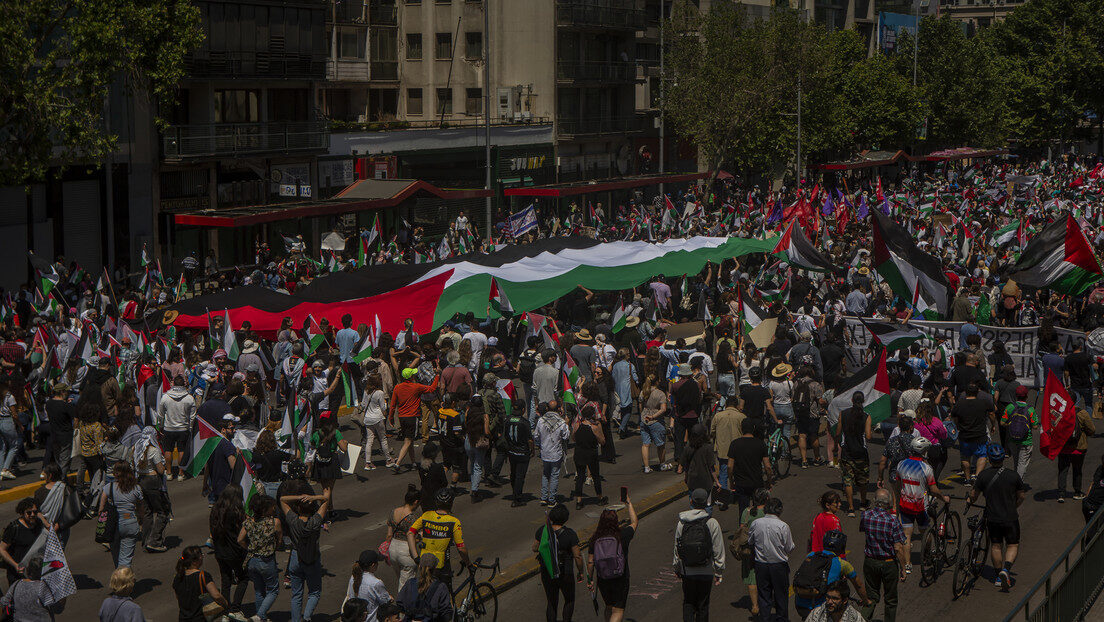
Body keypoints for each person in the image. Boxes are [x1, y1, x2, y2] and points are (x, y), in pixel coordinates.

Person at [970, 444, 1027, 590]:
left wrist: (969, 500)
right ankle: (1006, 570)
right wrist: (1014, 506)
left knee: (996, 546)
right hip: (1010, 517)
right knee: (1012, 545)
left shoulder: (983, 476)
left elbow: (974, 496)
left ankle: (997, 576)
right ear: (1003, 459)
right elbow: (1021, 496)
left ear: (989, 459)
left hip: (992, 517)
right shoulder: (1013, 476)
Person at [895, 437, 950, 572]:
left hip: (905, 505)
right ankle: (926, 554)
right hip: (920, 507)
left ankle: (907, 565)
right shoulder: (926, 468)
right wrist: (943, 498)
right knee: (926, 532)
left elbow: (898, 484)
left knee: (907, 535)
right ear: (924, 452)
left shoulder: (901, 464)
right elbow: (933, 489)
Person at [672, 488, 725, 622]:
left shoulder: (682, 523)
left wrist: (677, 568)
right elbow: (718, 549)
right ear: (707, 502)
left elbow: (677, 549)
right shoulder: (711, 523)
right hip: (706, 570)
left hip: (687, 571)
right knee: (703, 605)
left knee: (688, 603)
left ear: (691, 501)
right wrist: (719, 571)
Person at [280, 489, 330, 622]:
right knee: (314, 591)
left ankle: (295, 620)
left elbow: (282, 499)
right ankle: (307, 617)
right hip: (312, 557)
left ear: (298, 508)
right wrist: (313, 497)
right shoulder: (315, 521)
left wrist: (299, 497)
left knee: (296, 594)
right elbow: (326, 500)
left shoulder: (293, 520)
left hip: (296, 557)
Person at [793, 531, 868, 619]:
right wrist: (866, 601)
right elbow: (858, 585)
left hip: (801, 605)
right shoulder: (842, 564)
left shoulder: (811, 555)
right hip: (822, 609)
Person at [406, 488, 471, 589]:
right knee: (443, 598)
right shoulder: (454, 522)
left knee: (426, 592)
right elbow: (461, 549)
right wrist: (468, 564)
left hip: (424, 563)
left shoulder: (426, 515)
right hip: (442, 567)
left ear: (436, 502)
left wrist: (416, 557)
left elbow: (410, 533)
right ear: (451, 503)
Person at [858, 489, 906, 622]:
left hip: (870, 561)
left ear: (875, 500)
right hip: (888, 563)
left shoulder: (866, 515)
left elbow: (863, 530)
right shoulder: (892, 520)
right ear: (888, 503)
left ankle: (862, 619)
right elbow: (898, 548)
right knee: (890, 600)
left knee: (871, 596)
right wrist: (903, 568)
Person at [587, 499, 638, 622]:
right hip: (620, 577)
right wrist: (629, 504)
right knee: (618, 610)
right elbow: (635, 522)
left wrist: (590, 579)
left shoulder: (594, 539)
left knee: (608, 607)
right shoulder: (622, 535)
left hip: (603, 578)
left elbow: (590, 562)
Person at [532, 503, 584, 622]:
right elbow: (577, 556)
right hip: (565, 572)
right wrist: (580, 571)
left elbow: (535, 548)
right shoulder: (570, 534)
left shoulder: (543, 530)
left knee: (551, 601)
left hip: (548, 571)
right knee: (569, 599)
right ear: (565, 519)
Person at [237, 494, 282, 622]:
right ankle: (260, 615)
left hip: (252, 560)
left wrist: (249, 548)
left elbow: (240, 539)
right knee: (273, 590)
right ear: (265, 509)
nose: (274, 509)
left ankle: (261, 618)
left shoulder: (248, 522)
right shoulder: (274, 522)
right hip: (267, 560)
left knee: (259, 590)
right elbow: (279, 540)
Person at [748, 497, 793, 622]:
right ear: (780, 510)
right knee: (781, 597)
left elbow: (750, 541)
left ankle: (765, 619)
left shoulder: (756, 523)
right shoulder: (783, 526)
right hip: (779, 566)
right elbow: (789, 547)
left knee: (764, 596)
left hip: (761, 565)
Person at [390, 365, 439, 472]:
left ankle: (413, 463)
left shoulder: (397, 387)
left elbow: (393, 405)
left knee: (410, 440)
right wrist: (437, 376)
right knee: (408, 441)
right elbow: (432, 388)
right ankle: (397, 463)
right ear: (411, 377)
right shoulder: (416, 387)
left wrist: (391, 418)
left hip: (402, 417)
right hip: (412, 417)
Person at [209, 485, 249, 618]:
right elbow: (242, 534)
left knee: (225, 580)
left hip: (220, 552)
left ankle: (226, 610)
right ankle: (235, 608)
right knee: (243, 578)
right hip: (235, 553)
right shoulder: (237, 512)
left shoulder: (215, 510)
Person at [98, 461, 144, 569]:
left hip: (114, 525)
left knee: (116, 557)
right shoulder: (136, 488)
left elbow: (101, 510)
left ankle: (119, 578)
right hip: (130, 523)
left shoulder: (108, 488)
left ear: (115, 473)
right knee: (126, 559)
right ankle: (124, 579)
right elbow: (141, 509)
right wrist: (140, 521)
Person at [950, 381, 996, 485]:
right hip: (980, 434)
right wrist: (993, 425)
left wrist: (958, 426)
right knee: (982, 456)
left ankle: (967, 479)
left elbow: (954, 416)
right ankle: (977, 476)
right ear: (977, 392)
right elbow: (991, 414)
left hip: (965, 435)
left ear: (966, 392)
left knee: (965, 457)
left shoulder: (960, 403)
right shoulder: (983, 403)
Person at [838, 391, 872, 517]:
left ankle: (851, 508)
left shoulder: (843, 414)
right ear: (863, 401)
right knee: (863, 480)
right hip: (861, 454)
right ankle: (863, 503)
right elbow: (868, 436)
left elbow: (838, 433)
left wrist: (837, 447)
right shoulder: (866, 416)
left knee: (848, 481)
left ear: (852, 400)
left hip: (847, 453)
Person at [173, 545, 229, 622]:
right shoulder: (203, 575)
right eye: (201, 555)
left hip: (183, 618)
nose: (202, 557)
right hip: (199, 618)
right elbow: (216, 595)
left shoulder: (178, 577)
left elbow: (178, 597)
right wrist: (225, 603)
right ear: (195, 561)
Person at [728, 418, 771, 515]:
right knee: (759, 510)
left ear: (741, 428)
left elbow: (730, 467)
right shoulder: (760, 444)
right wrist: (769, 481)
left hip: (741, 482)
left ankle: (743, 528)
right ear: (754, 428)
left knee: (743, 511)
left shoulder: (734, 444)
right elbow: (768, 467)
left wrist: (731, 482)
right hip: (757, 482)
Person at [309, 416, 348, 520]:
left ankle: (330, 510)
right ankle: (324, 512)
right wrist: (346, 443)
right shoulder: (336, 433)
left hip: (320, 462)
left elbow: (312, 446)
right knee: (329, 490)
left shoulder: (316, 434)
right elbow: (343, 448)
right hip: (331, 462)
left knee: (325, 488)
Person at [0, 554, 61, 621]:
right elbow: (57, 609)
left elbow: (4, 603)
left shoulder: (16, 584)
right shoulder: (42, 587)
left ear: (28, 570)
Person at [0, 498, 46, 586]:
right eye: (29, 513)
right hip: (17, 575)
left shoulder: (39, 524)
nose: (32, 515)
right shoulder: (14, 528)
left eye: (35, 512)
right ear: (22, 513)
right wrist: (15, 565)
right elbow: (2, 549)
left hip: (34, 573)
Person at [396, 552, 452, 622]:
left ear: (419, 566)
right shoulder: (441, 587)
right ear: (435, 568)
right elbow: (446, 613)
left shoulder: (410, 583)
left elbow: (399, 603)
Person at [533, 401, 570, 507]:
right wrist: (567, 423)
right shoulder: (561, 422)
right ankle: (552, 499)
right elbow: (566, 436)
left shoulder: (541, 420)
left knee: (545, 474)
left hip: (545, 452)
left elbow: (536, 435)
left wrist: (541, 445)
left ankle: (544, 497)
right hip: (556, 453)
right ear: (558, 409)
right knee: (554, 476)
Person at [1057, 407, 1096, 503]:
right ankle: (1077, 492)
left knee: (1062, 470)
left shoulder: (1060, 411)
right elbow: (1092, 429)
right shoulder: (1082, 413)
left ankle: (1061, 494)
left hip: (1063, 447)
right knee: (1077, 470)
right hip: (1078, 447)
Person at [573, 403, 607, 510]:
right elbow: (602, 441)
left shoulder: (577, 425)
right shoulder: (595, 427)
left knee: (580, 477)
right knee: (596, 476)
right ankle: (600, 497)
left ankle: (579, 500)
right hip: (591, 453)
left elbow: (574, 438)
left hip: (579, 452)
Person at [1000, 385, 1038, 477]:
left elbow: (1002, 423)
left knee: (1016, 462)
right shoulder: (1030, 409)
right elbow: (1035, 426)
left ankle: (1015, 481)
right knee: (1022, 464)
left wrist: (1010, 425)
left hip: (1012, 440)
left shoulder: (1010, 407)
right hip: (1026, 441)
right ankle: (1018, 485)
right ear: (1026, 396)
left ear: (1016, 395)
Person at [359, 375, 395, 469]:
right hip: (378, 418)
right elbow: (383, 407)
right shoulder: (380, 393)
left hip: (368, 418)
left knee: (369, 440)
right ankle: (388, 459)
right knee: (383, 439)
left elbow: (363, 404)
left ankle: (367, 463)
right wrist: (386, 406)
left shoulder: (366, 391)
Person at [503, 399, 534, 506]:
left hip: (511, 451)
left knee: (514, 473)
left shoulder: (507, 420)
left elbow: (505, 435)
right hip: (522, 452)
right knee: (520, 476)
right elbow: (530, 440)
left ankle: (515, 492)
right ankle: (517, 498)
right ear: (523, 409)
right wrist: (532, 449)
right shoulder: (524, 422)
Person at [345, 550, 392, 620]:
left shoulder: (353, 577)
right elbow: (385, 602)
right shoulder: (375, 582)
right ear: (373, 565)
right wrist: (390, 598)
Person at [639, 374, 671, 473]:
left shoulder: (644, 392)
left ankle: (647, 467)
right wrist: (653, 416)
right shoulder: (660, 394)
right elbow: (663, 409)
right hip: (656, 421)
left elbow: (640, 405)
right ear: (657, 382)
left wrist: (643, 415)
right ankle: (662, 464)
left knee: (645, 444)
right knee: (660, 444)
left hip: (644, 420)